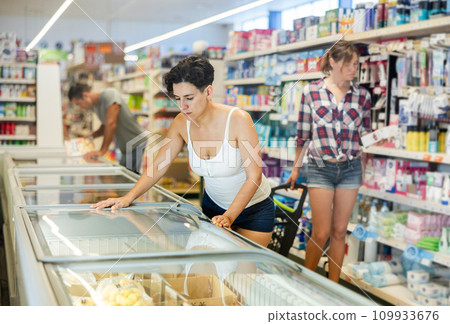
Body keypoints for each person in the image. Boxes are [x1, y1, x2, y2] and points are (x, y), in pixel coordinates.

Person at [91, 56, 274, 247]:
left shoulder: (238, 120)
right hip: (213, 207)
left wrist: (228, 217)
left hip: (254, 210)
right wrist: (128, 197)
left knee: (246, 273)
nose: (182, 106)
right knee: (215, 274)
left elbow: (254, 176)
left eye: (189, 98)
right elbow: (158, 165)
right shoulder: (181, 123)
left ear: (208, 91)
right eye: (177, 99)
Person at [286, 40, 371, 282]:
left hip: (351, 168)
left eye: (355, 64)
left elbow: (364, 134)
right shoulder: (311, 92)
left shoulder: (362, 95)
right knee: (321, 231)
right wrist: (295, 169)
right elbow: (302, 136)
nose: (353, 69)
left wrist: (378, 139)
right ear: (333, 63)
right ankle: (307, 283)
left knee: (339, 230)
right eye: (348, 64)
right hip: (320, 167)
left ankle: (332, 288)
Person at [68, 84, 145, 173]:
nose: (81, 107)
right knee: (126, 176)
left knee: (127, 176)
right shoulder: (95, 106)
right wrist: (91, 136)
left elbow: (111, 123)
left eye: (79, 104)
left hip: (135, 142)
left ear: (85, 95)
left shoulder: (109, 94)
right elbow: (105, 125)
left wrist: (102, 151)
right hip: (125, 145)